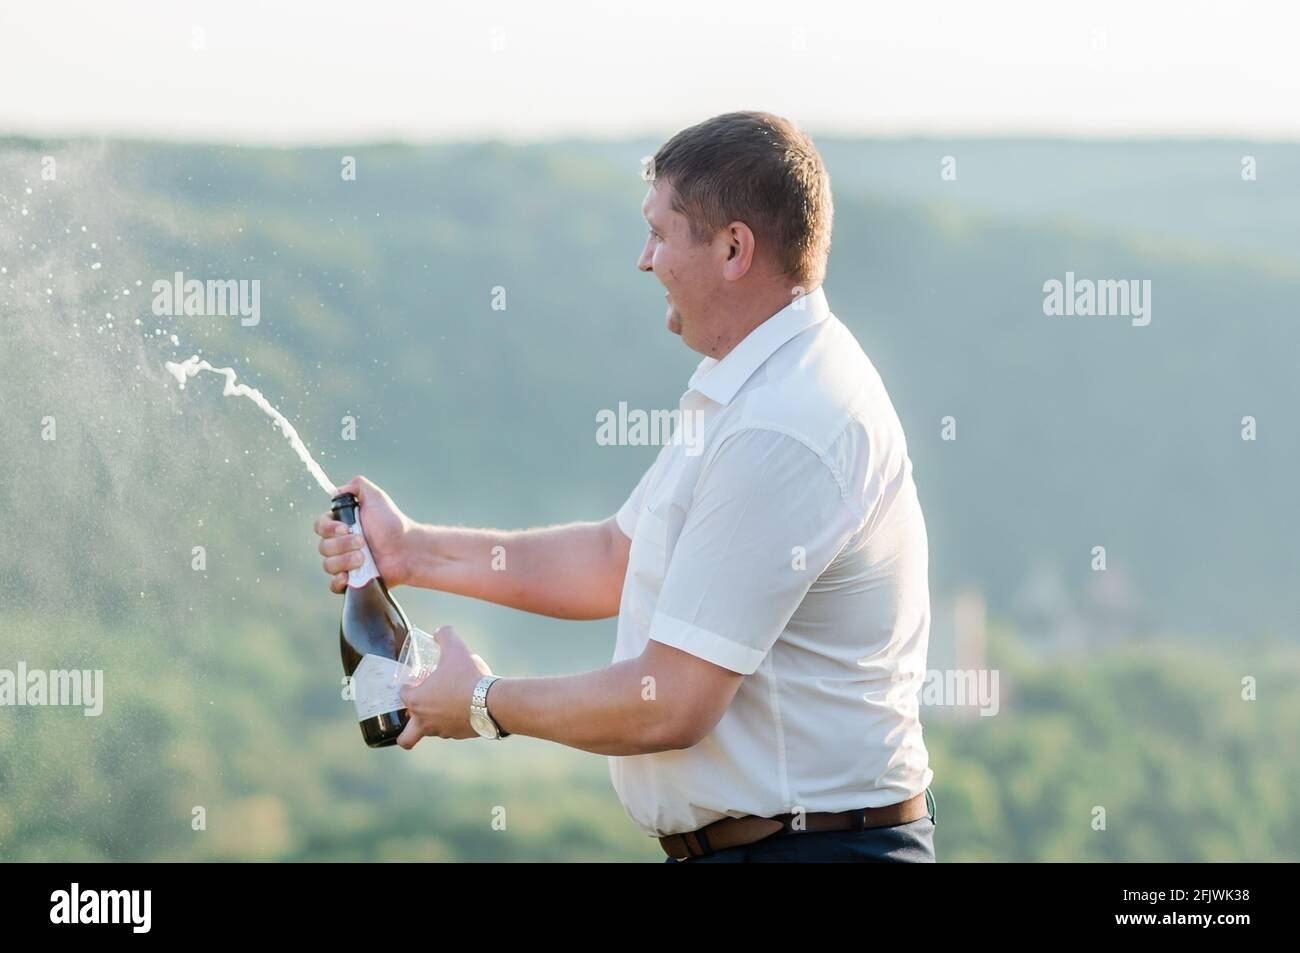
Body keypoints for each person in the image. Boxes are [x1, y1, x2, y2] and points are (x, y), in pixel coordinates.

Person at [314, 111, 936, 862]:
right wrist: (413, 550)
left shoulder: (783, 423)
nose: (644, 260)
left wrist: (481, 703)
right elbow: (615, 556)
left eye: (661, 233)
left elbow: (671, 702)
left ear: (734, 247)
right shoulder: (751, 386)